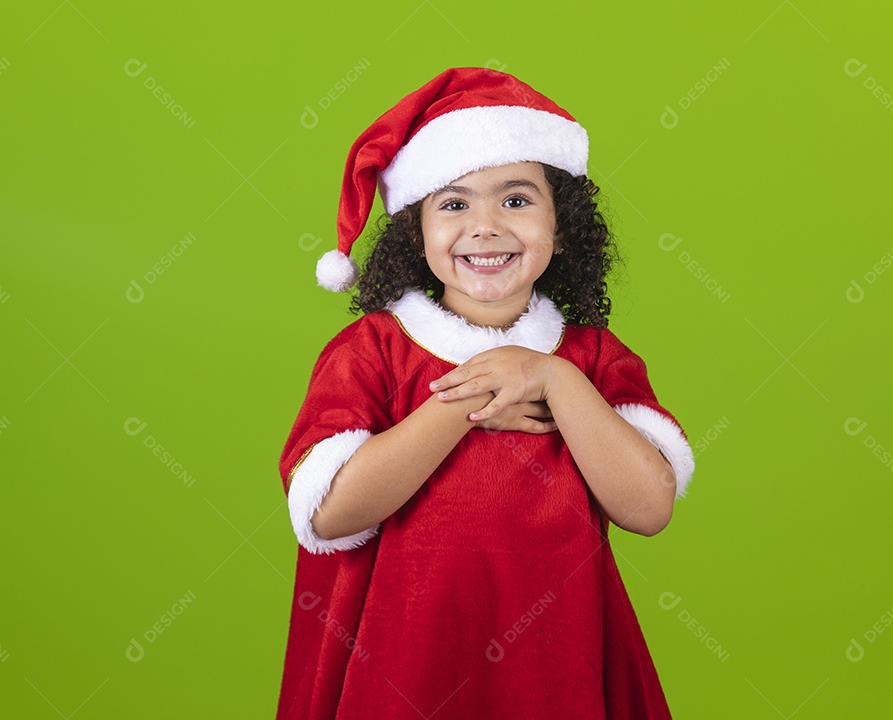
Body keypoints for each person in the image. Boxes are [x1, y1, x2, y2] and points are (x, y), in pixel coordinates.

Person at [277, 67, 695, 720]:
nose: (486, 226)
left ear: (564, 224)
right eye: (454, 203)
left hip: (558, 665)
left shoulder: (589, 359)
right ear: (415, 229)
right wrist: (473, 396)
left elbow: (647, 508)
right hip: (399, 667)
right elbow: (330, 515)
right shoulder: (371, 353)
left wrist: (553, 379)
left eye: (517, 200)